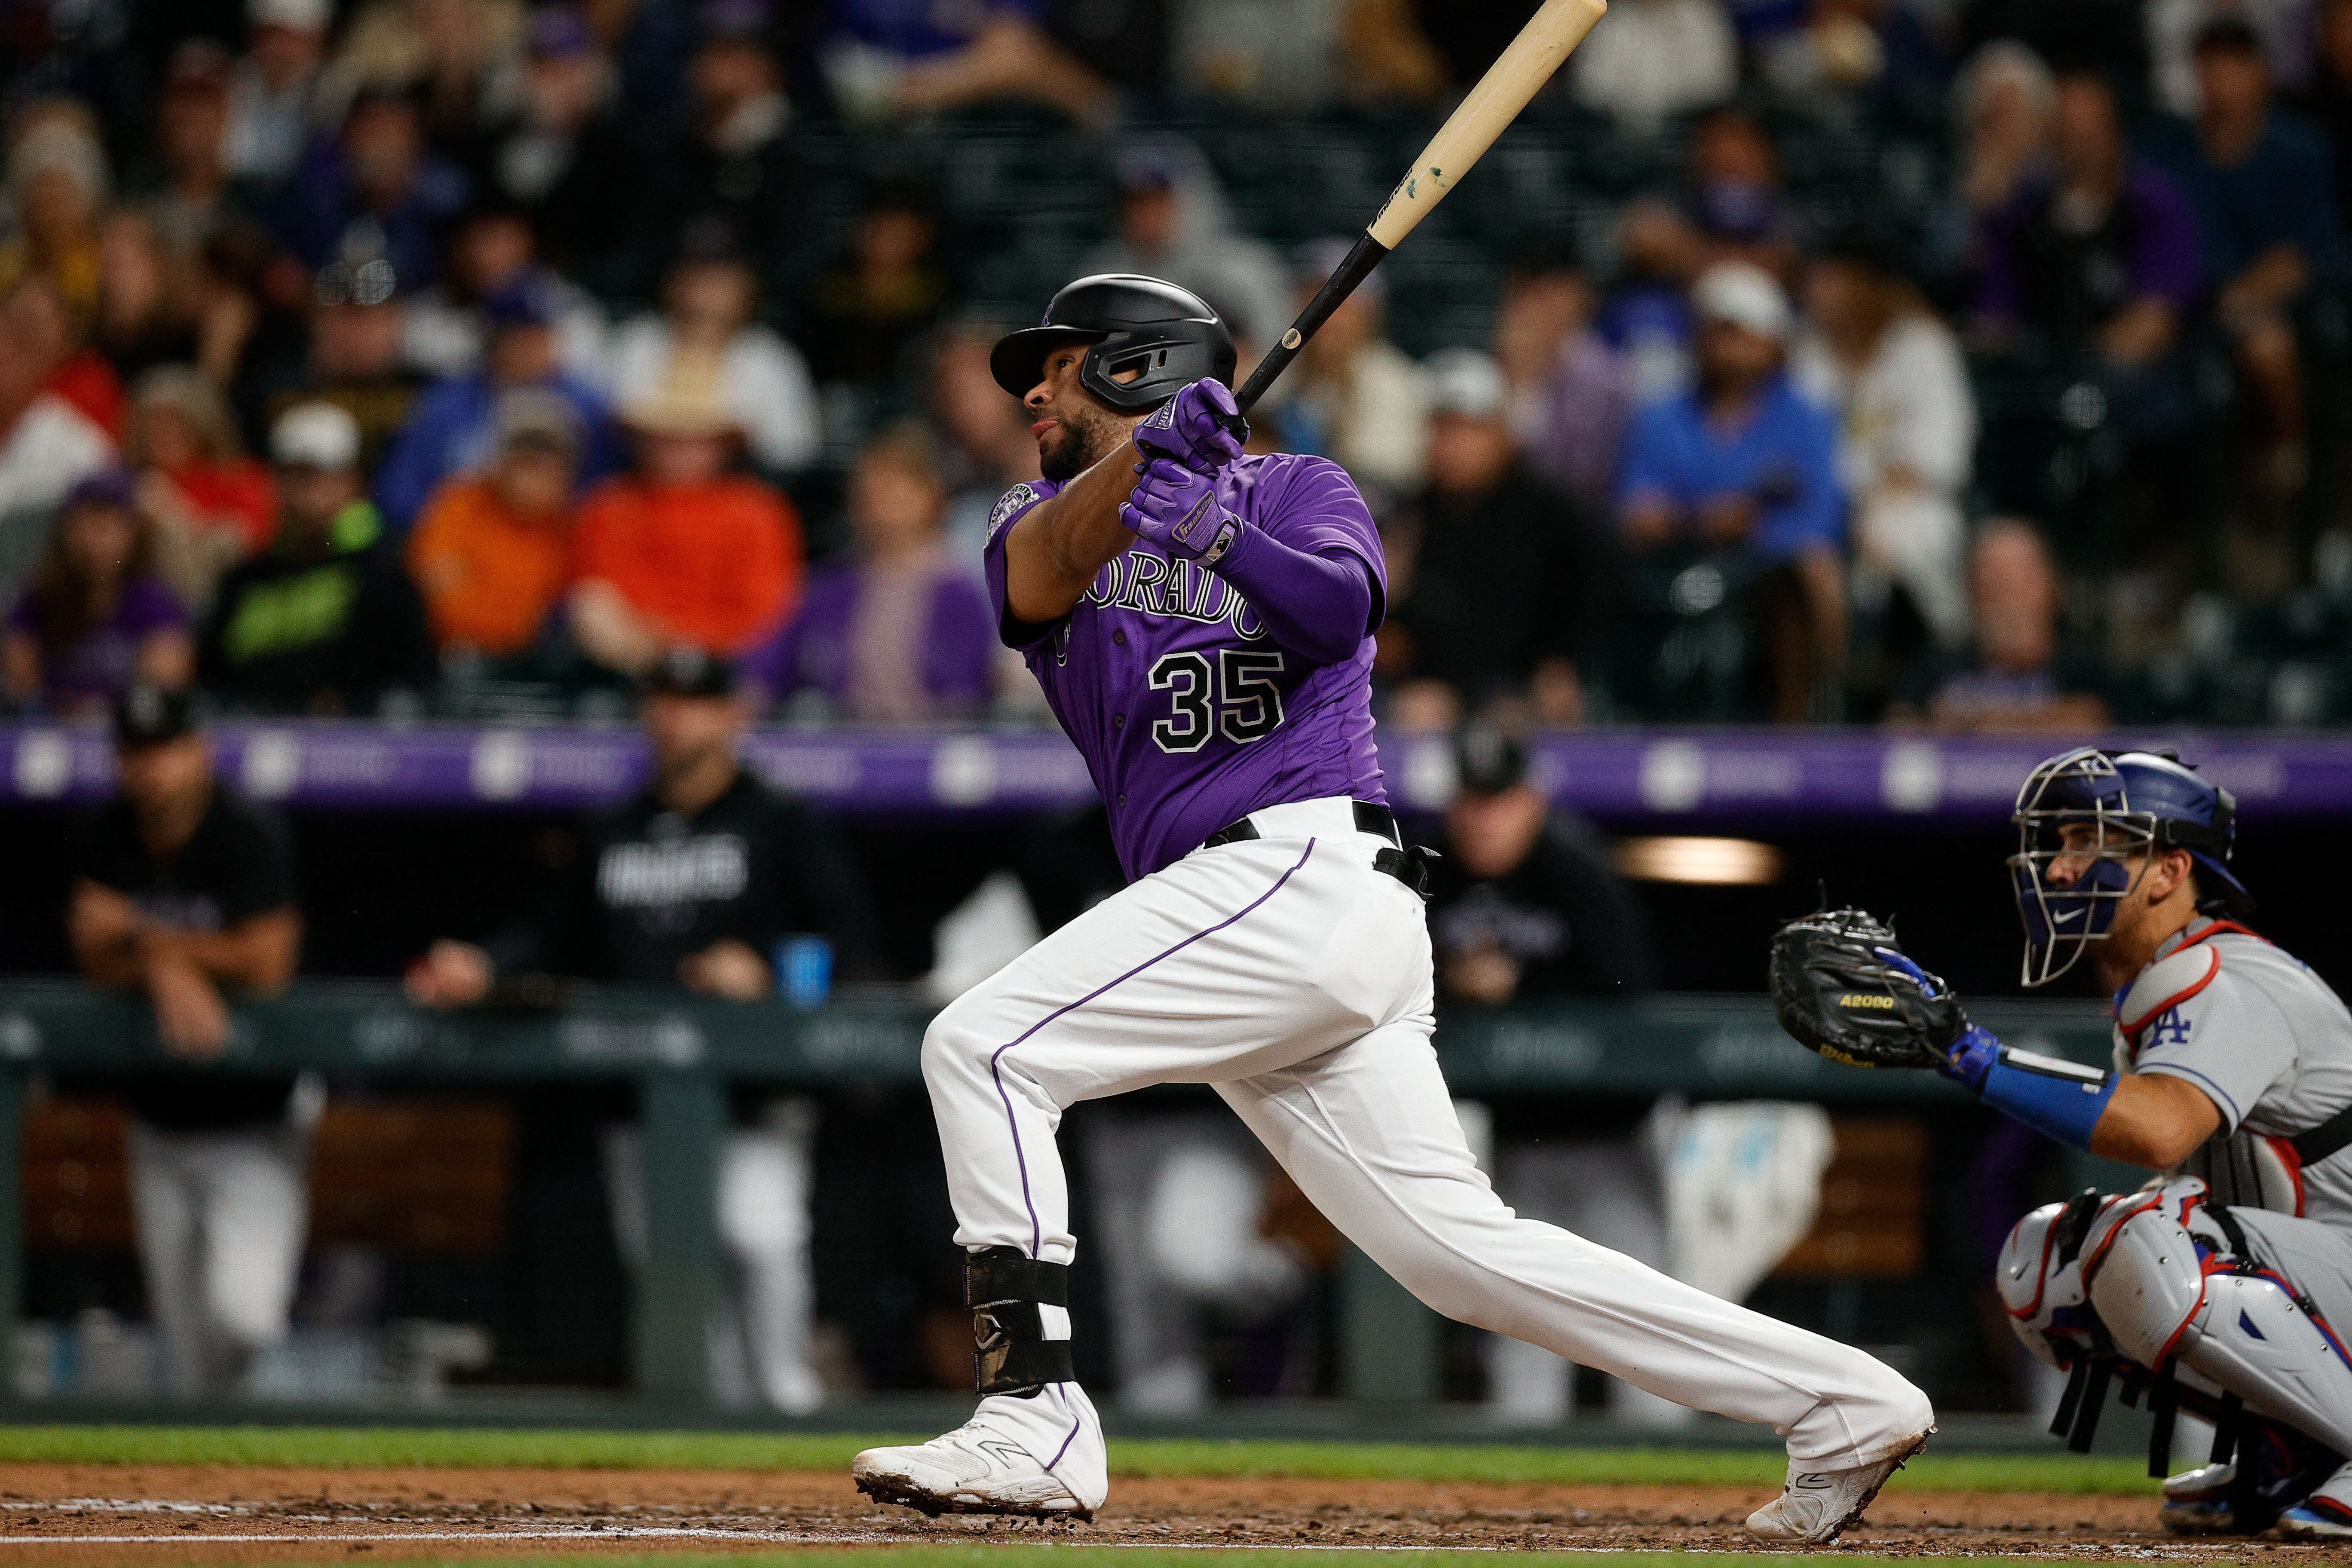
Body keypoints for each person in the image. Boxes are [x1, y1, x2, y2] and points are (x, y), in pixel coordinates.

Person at [845, 273, 1932, 1540]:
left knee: (979, 1043)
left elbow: (1342, 610)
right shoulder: (1038, 519)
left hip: (1303, 876)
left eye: (1064, 364)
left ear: (1143, 363)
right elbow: (1038, 571)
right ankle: (1842, 1399)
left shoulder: (1302, 490)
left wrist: (1217, 529)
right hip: (1243, 915)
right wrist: (1145, 476)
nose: (1032, 390)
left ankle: (1036, 1414)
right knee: (1456, 1256)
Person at [1820, 747, 2352, 1538]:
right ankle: (2293, 1453)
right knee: (2052, 1259)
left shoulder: (2218, 973)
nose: (2062, 868)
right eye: (2062, 843)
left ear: (2169, 871)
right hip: (2331, 1264)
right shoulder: (2161, 981)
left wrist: (1974, 1057)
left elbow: (2160, 1125)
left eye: (2088, 843)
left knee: (2145, 1241)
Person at [404, 646, 872, 1412]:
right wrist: (483, 965)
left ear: (733, 713)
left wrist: (764, 962)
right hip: (640, 1102)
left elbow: (847, 940)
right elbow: (554, 932)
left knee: (760, 1242)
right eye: (661, 698)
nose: (674, 715)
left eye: (693, 699)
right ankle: (716, 1451)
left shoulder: (781, 821)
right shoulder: (610, 826)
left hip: (752, 1092)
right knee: (675, 1275)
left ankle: (788, 1406)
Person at [1422, 727, 1671, 1428]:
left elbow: (1630, 989)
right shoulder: (1433, 873)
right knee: (1523, 1335)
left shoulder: (1576, 869)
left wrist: (1524, 981)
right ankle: (1523, 1513)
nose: (1482, 818)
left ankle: (1681, 1498)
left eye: (1498, 801)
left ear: (1530, 802)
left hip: (1610, 1139)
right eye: (1471, 801)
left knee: (1641, 1325)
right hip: (1518, 1143)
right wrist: (1455, 980)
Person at [66, 685, 306, 1397]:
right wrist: (164, 959)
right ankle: (210, 1497)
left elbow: (267, 964)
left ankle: (248, 1451)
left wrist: (150, 940)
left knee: (245, 1319)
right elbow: (91, 953)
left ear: (200, 750)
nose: (152, 767)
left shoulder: (243, 830)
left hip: (254, 1121)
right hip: (159, 1124)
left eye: (166, 748)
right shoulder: (104, 832)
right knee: (188, 1344)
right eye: (137, 751)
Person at [1617, 262, 1847, 722]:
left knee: (1812, 576)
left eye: (1739, 331)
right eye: (1716, 330)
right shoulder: (1664, 414)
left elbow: (1819, 522)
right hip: (1680, 556)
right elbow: (1637, 508)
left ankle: (1803, 719)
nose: (1726, 344)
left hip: (1766, 565)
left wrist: (1752, 525)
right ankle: (1627, 714)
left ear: (1772, 341)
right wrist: (1699, 521)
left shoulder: (1806, 417)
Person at [2144, 18, 2344, 497]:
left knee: (2267, 341)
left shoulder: (2301, 152)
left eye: (2236, 69)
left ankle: (2285, 464)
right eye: (2211, 70)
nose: (2224, 84)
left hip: (2280, 308)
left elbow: (2308, 250)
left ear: (2262, 74)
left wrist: (2244, 296)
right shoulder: (2170, 157)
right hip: (2189, 307)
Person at [1381, 349, 1615, 730]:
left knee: (1515, 722)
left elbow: (1598, 592)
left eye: (1470, 429)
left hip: (1527, 682)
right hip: (1439, 685)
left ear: (1504, 434)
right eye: (1442, 429)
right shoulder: (1411, 515)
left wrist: (1564, 660)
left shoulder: (1553, 512)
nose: (1453, 446)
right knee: (1413, 715)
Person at [1792, 239, 1978, 655]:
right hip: (1825, 506)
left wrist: (1869, 513)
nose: (1819, 292)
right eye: (1817, 280)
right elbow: (1800, 450)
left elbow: (1937, 456)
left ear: (1867, 284)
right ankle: (1840, 675)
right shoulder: (1805, 353)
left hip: (1912, 503)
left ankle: (1926, 657)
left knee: (1905, 534)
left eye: (1834, 280)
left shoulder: (1923, 347)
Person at [567, 357, 804, 675]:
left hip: (727, 668)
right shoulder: (609, 506)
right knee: (591, 606)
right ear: (644, 440)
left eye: (694, 437)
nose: (678, 448)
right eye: (667, 435)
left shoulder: (759, 512)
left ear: (722, 445)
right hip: (632, 668)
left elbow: (766, 613)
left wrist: (685, 638)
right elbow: (603, 597)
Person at [743, 426, 995, 721]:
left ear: (933, 495)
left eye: (898, 485)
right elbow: (767, 671)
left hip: (936, 741)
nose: (882, 498)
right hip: (842, 741)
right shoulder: (828, 588)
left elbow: (969, 691)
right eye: (873, 485)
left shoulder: (962, 592)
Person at [197, 402, 436, 714]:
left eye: (314, 478)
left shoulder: (385, 577)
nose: (302, 494)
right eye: (290, 477)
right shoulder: (243, 580)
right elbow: (212, 678)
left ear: (352, 483)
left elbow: (412, 682)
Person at [1974, 72, 2202, 375]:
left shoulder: (2153, 207)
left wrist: (2081, 368)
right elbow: (1994, 319)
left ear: (2113, 133)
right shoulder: (2021, 214)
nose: (2078, 149)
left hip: (2125, 381)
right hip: (2036, 378)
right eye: (2066, 134)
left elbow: (2154, 320)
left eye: (2087, 135)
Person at [374, 275, 621, 532]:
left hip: (554, 547)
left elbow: (605, 495)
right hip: (462, 544)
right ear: (494, 338)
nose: (533, 345)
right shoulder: (448, 403)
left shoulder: (588, 405)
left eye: (541, 332)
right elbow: (401, 495)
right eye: (520, 334)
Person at [608, 238, 819, 478]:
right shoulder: (636, 341)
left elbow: (796, 449)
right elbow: (611, 421)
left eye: (723, 281)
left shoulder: (771, 358)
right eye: (701, 278)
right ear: (675, 283)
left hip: (736, 489)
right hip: (641, 484)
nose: (710, 292)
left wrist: (737, 441)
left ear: (748, 288)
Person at [1886, 518, 2110, 732]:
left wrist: (1970, 724)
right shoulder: (1936, 668)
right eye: (1989, 577)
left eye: (2017, 577)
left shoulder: (2086, 669)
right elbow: (1896, 733)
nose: (2002, 593)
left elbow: (2096, 726)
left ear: (2050, 586)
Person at [404, 389, 580, 660]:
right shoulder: (461, 502)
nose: (532, 476)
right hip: (456, 654)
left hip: (540, 663)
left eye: (546, 463)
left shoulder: (573, 524)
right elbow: (440, 593)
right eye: (524, 461)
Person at [3, 470, 190, 714]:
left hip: (124, 732)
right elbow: (20, 685)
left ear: (133, 535)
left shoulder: (155, 602)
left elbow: (165, 684)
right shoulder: (38, 599)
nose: (96, 543)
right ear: (65, 532)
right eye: (86, 525)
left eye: (109, 527)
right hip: (51, 733)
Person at [1077, 143, 1292, 352]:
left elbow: (1279, 359)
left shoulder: (1247, 269)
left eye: (1158, 200)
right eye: (1134, 202)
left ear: (1193, 199)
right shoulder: (1100, 278)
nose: (1146, 214)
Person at [1276, 239, 1429, 500]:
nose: (1326, 316)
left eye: (1342, 304)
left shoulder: (1395, 384)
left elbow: (1387, 483)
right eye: (1315, 298)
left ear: (1369, 314)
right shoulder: (1276, 373)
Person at [123, 367, 278, 610]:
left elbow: (244, 548)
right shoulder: (127, 485)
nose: (159, 435)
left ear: (202, 423)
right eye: (149, 424)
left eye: (172, 422)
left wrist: (172, 514)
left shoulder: (242, 479)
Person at [1495, 245, 1632, 516]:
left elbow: (1579, 476)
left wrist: (1525, 387)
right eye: (1529, 294)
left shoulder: (1599, 376)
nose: (1538, 309)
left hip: (1576, 525)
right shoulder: (1496, 361)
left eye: (1553, 294)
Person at [0, 280, 116, 597]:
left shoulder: (76, 443)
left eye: (12, 355)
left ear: (35, 364)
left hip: (46, 604)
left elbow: (111, 541)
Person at [1565, 0, 1737, 126]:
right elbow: (1590, 87)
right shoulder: (1611, 18)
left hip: (1690, 129)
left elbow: (1717, 80)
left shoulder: (1700, 14)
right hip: (1614, 131)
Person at [224, 0, 331, 189]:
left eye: (289, 36)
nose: (276, 47)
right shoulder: (228, 85)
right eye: (268, 34)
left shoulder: (338, 94)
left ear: (316, 38)